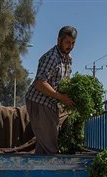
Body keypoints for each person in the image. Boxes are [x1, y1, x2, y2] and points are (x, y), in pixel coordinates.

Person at [25, 26, 76, 154]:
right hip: (40, 101)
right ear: (59, 40)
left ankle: (38, 172)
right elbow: (40, 83)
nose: (70, 46)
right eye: (67, 42)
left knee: (45, 144)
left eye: (73, 43)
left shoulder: (68, 59)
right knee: (50, 146)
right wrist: (62, 97)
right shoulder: (52, 57)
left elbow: (64, 83)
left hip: (51, 103)